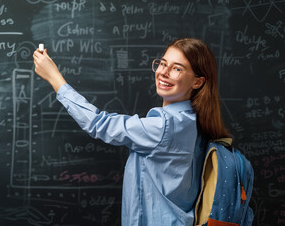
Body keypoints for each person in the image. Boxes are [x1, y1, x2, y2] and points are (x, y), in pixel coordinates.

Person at [33, 38, 231, 225]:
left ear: (198, 82)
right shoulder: (193, 121)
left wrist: (55, 78)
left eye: (177, 69)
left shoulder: (164, 126)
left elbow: (98, 124)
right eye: (163, 64)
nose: (164, 72)